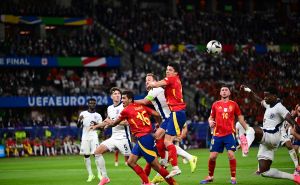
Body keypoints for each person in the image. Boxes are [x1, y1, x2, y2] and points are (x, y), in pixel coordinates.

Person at [91, 90, 178, 185]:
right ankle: (147, 183)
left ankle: (173, 184)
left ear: (130, 99)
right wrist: (159, 125)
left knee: (157, 167)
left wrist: (108, 123)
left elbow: (114, 123)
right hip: (143, 138)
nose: (122, 100)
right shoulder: (142, 106)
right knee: (130, 162)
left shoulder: (126, 110)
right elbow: (156, 114)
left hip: (144, 138)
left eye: (124, 98)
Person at [135, 73, 197, 183]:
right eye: (146, 80)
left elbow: (144, 102)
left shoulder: (155, 90)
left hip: (170, 118)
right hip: (168, 119)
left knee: (160, 140)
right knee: (160, 141)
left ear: (155, 81)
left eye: (149, 80)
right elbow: (154, 109)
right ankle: (164, 165)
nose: (147, 82)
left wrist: (130, 101)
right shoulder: (157, 91)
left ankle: (170, 161)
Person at [240, 85, 300, 184]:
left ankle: (245, 146)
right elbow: (257, 99)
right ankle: (294, 178)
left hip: (273, 136)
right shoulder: (268, 105)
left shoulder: (279, 107)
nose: (265, 98)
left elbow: (290, 118)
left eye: (267, 96)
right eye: (265, 96)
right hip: (267, 142)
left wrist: (296, 126)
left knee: (251, 130)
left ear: (274, 96)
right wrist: (248, 90)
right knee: (265, 171)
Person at [200, 85, 249, 184]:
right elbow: (211, 117)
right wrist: (210, 122)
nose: (224, 91)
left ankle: (233, 178)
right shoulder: (215, 104)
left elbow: (240, 118)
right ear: (220, 93)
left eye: (226, 90)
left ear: (229, 93)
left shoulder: (234, 104)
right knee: (212, 156)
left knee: (231, 154)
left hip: (229, 134)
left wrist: (247, 129)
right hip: (217, 134)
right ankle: (210, 176)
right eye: (222, 90)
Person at [147, 63, 187, 178]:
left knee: (167, 142)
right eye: (166, 69)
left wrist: (151, 83)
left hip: (176, 112)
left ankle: (175, 166)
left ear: (175, 73)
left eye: (170, 70)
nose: (167, 71)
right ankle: (166, 162)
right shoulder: (175, 81)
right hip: (177, 113)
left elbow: (158, 83)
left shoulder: (172, 78)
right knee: (159, 136)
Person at [93, 87, 132, 185]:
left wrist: (114, 123)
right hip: (114, 137)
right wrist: (97, 126)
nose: (117, 95)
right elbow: (107, 120)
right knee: (97, 152)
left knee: (130, 163)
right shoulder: (109, 108)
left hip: (124, 138)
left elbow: (128, 122)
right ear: (111, 96)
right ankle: (105, 178)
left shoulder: (125, 106)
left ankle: (146, 181)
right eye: (115, 93)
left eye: (119, 93)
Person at [78, 98, 103, 182]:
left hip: (94, 136)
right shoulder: (83, 113)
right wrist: (79, 120)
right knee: (86, 155)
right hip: (85, 137)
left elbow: (101, 128)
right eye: (90, 103)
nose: (92, 104)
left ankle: (99, 174)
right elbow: (78, 126)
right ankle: (90, 174)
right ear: (88, 104)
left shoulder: (98, 115)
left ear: (95, 104)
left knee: (96, 154)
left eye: (94, 103)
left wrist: (97, 124)